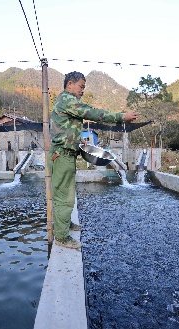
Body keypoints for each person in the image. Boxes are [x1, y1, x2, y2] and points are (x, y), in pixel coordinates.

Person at [49, 71, 139, 249]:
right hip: (61, 155)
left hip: (66, 153)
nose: (82, 90)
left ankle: (64, 224)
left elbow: (64, 128)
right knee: (63, 197)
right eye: (81, 86)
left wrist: (78, 140)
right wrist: (122, 117)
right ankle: (61, 236)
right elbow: (93, 113)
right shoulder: (67, 99)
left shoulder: (66, 101)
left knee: (67, 193)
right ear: (70, 85)